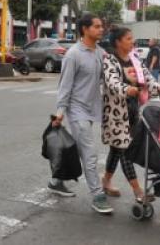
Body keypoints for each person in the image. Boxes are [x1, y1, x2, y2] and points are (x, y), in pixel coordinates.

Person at [48, 13, 113, 214]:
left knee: (76, 148)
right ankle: (97, 195)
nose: (101, 29)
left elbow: (109, 79)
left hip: (92, 109)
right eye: (96, 26)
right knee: (89, 153)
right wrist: (60, 112)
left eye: (101, 26)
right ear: (85, 29)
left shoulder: (101, 53)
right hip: (76, 110)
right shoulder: (73, 54)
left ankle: (56, 181)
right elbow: (64, 86)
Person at [101, 26, 160, 203]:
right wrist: (128, 89)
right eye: (128, 39)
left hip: (133, 112)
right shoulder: (110, 60)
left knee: (116, 150)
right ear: (118, 42)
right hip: (116, 114)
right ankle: (138, 191)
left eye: (132, 38)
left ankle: (106, 181)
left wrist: (159, 88)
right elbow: (112, 83)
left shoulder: (135, 59)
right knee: (125, 150)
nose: (133, 42)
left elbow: (147, 79)